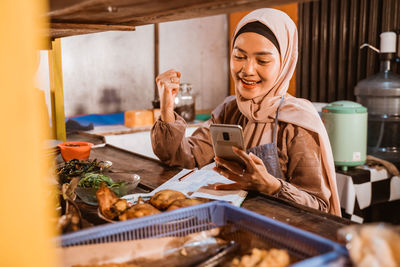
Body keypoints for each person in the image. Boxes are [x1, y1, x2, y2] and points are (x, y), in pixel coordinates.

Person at [151, 8, 341, 216]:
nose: (247, 70)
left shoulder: (297, 123)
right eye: (239, 56)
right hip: (231, 225)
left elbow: (319, 207)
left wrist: (272, 187)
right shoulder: (229, 110)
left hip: (279, 236)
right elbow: (185, 158)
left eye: (262, 61)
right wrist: (167, 107)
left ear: (285, 63)